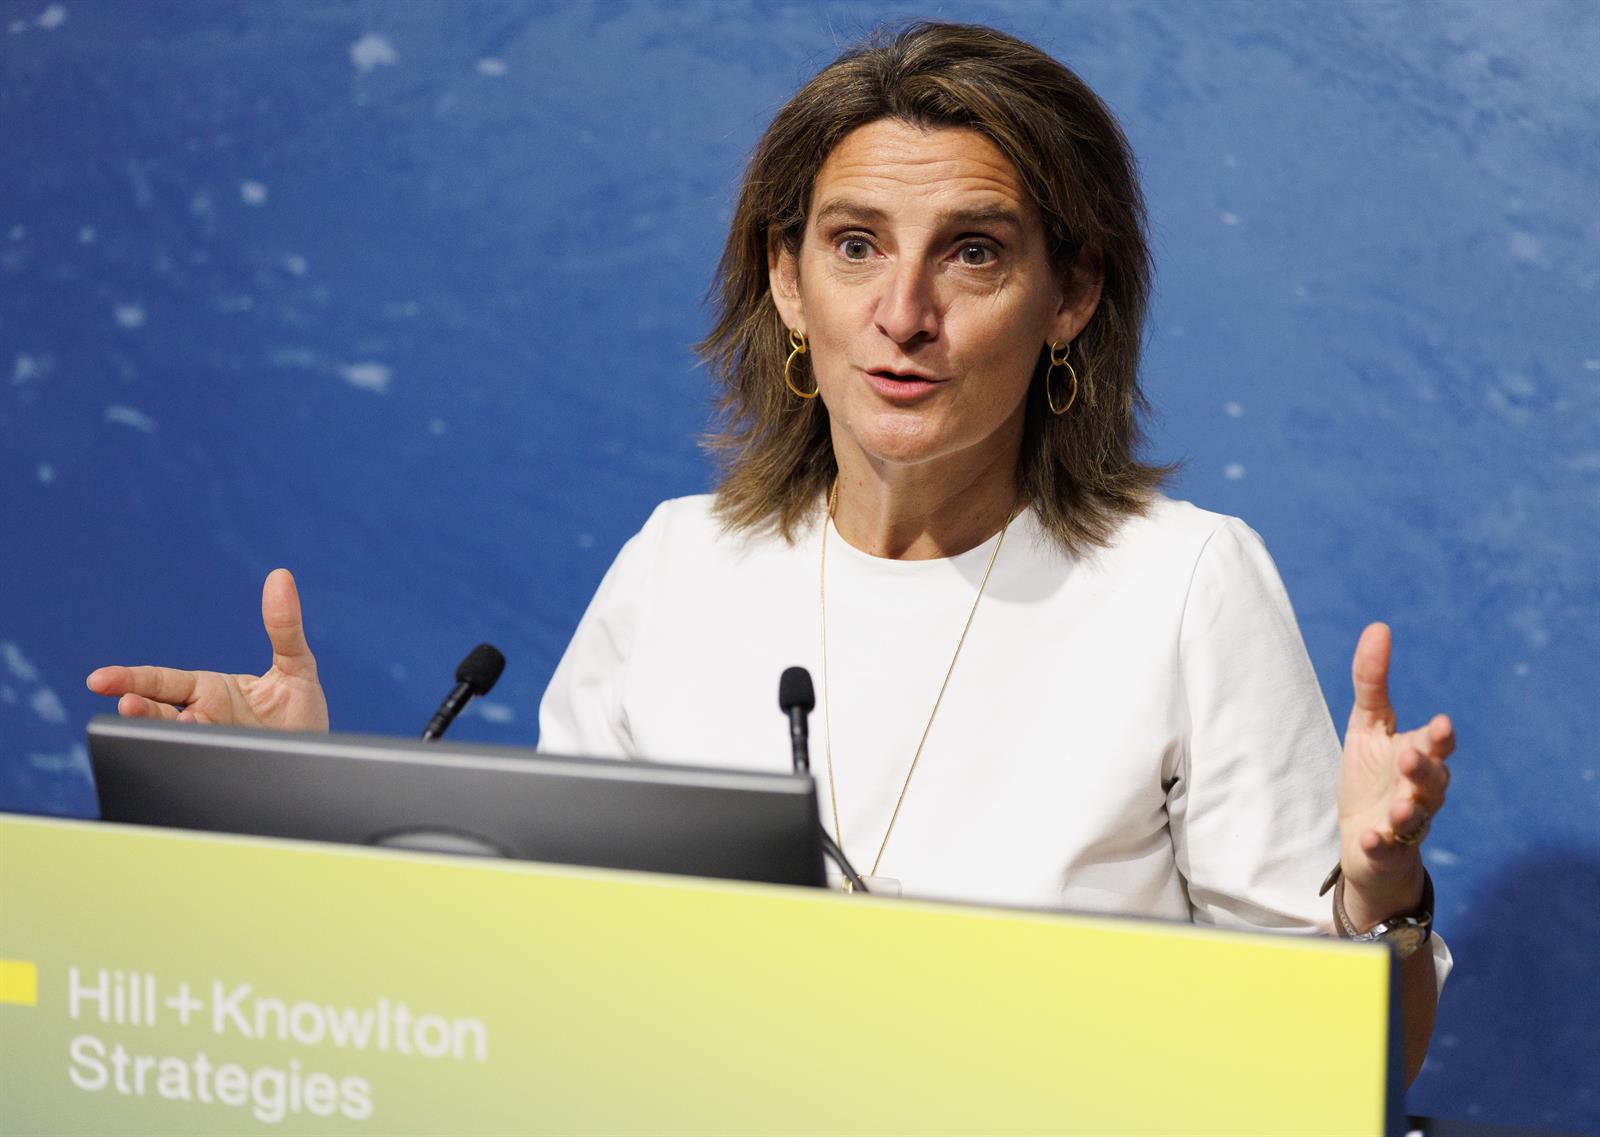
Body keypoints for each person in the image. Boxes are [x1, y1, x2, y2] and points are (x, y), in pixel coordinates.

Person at [86, 22, 1455, 1082]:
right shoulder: (678, 568)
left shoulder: (1181, 584)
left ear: (1072, 295)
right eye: (856, 246)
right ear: (789, 282)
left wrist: (1379, 897)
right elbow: (526, 992)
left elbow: (1341, 1073)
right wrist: (302, 813)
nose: (903, 312)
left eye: (973, 255)